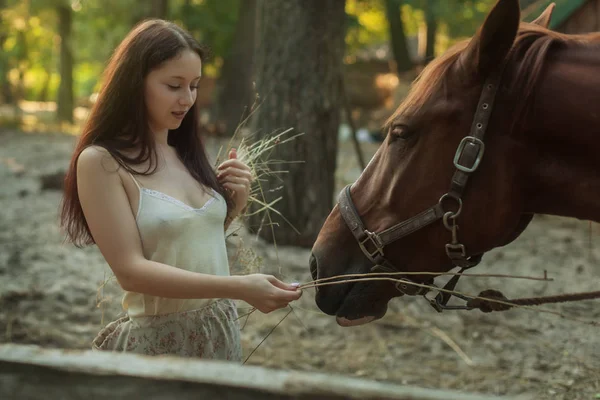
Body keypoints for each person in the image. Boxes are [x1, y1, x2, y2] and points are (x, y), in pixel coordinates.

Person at [60, 19, 302, 361]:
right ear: (134, 84)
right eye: (174, 85)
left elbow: (184, 244)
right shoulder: (101, 162)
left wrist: (235, 205)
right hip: (161, 344)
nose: (187, 99)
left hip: (219, 329)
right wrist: (240, 287)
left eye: (194, 86)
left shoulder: (185, 153)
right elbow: (131, 271)